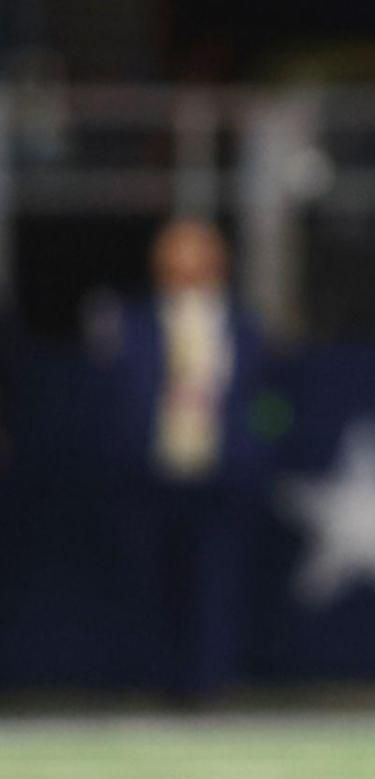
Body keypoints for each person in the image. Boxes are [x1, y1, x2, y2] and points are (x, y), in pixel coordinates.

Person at [107, 219, 267, 703]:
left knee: (217, 587)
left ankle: (210, 686)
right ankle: (157, 685)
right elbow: (112, 397)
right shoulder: (130, 324)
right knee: (151, 585)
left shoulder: (246, 326)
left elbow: (271, 405)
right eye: (178, 258)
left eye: (199, 257)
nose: (188, 270)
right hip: (150, 474)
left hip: (223, 474)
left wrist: (259, 448)